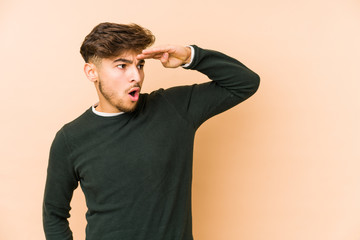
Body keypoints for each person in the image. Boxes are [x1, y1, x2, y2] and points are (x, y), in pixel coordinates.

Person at [42, 22, 260, 240]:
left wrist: (189, 57)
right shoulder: (70, 139)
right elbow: (54, 214)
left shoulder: (173, 109)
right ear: (92, 72)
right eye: (121, 66)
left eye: (140, 65)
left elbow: (244, 83)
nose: (136, 76)